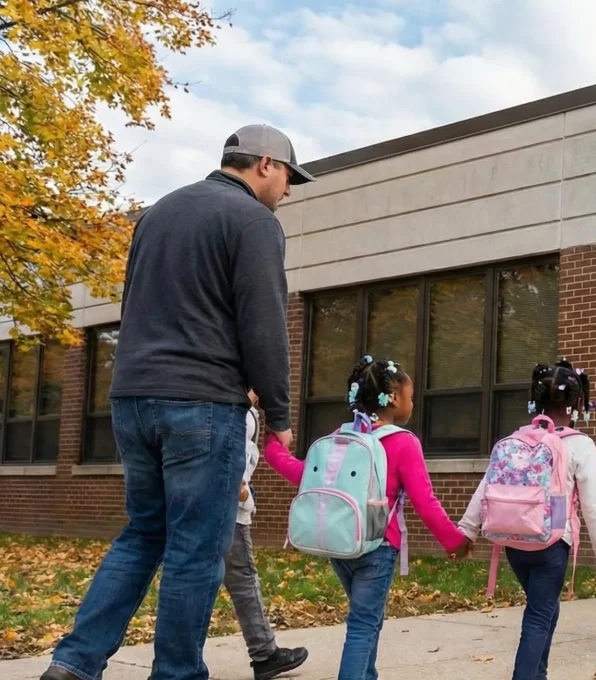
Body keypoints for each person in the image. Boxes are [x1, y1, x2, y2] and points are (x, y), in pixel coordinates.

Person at [44, 125, 314, 680]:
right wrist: (281, 416)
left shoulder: (159, 212)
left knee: (143, 533)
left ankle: (73, 665)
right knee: (196, 548)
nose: (288, 190)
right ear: (266, 164)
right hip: (202, 403)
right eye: (288, 176)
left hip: (132, 398)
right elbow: (264, 322)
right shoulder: (254, 222)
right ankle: (177, 674)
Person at [262, 357, 471, 680]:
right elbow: (425, 502)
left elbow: (304, 474)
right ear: (395, 398)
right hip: (378, 547)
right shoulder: (404, 442)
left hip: (341, 544)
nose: (412, 403)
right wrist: (455, 540)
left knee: (367, 618)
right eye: (411, 396)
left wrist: (274, 449)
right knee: (362, 624)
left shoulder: (340, 437)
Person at [458, 360, 596, 680]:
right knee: (540, 614)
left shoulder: (516, 439)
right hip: (552, 543)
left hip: (513, 541)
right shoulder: (581, 445)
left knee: (544, 607)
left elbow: (486, 487)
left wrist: (467, 530)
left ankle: (538, 674)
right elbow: (593, 505)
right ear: (575, 403)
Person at [226, 391, 309, 680]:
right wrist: (240, 488)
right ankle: (264, 653)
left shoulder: (242, 405)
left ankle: (264, 652)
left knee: (227, 577)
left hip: (226, 500)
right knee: (241, 577)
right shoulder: (231, 402)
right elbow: (226, 443)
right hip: (227, 504)